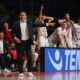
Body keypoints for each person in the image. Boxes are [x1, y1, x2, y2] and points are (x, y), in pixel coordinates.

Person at [11, 11, 54, 78]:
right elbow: (12, 32)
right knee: (19, 58)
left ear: (26, 16)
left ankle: (30, 71)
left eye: (23, 15)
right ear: (19, 16)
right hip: (20, 43)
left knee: (30, 57)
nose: (22, 16)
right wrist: (15, 38)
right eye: (21, 15)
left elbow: (38, 24)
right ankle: (20, 72)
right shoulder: (15, 23)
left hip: (28, 42)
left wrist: (48, 24)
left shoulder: (29, 22)